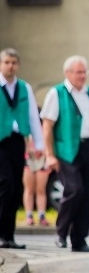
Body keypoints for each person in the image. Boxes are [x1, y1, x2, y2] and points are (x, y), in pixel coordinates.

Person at [41, 55, 89, 252]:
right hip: (66, 150)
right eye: (78, 72)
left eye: (84, 72)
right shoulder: (57, 93)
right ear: (67, 73)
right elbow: (48, 125)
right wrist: (50, 154)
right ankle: (61, 233)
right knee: (74, 190)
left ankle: (79, 240)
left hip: (88, 147)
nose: (82, 76)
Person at [0, 48, 44, 249]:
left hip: (18, 141)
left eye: (13, 63)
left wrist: (39, 144)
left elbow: (33, 117)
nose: (10, 66)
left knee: (16, 189)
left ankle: (9, 236)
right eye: (6, 62)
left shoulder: (24, 88)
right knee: (6, 184)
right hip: (1, 142)